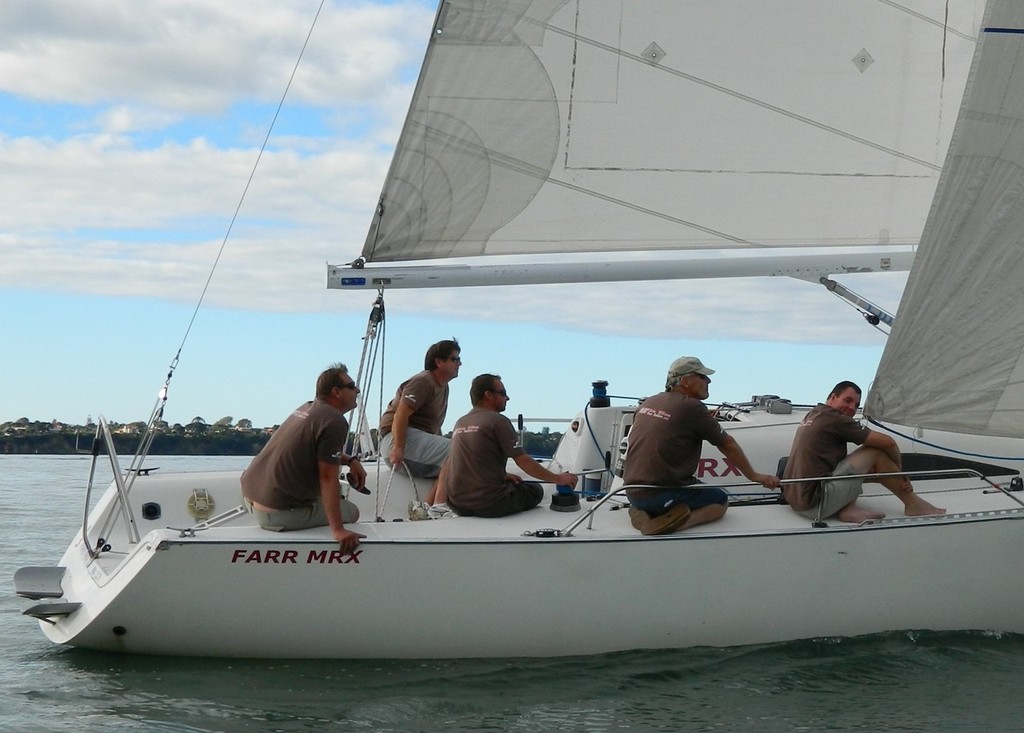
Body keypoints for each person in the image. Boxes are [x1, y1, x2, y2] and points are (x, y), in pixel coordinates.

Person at [623, 356, 780, 535]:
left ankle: (645, 510)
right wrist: (754, 476)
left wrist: (704, 418)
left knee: (677, 490)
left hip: (631, 493)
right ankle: (675, 523)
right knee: (720, 500)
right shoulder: (692, 408)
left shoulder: (649, 402)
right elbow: (727, 444)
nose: (709, 381)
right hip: (661, 494)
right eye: (702, 376)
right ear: (684, 381)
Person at [240, 363, 367, 554]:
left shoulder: (308, 408)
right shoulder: (334, 421)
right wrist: (338, 530)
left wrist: (350, 460)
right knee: (352, 511)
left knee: (326, 497)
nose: (357, 390)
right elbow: (327, 477)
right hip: (275, 515)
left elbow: (314, 450)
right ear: (336, 392)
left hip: (248, 496)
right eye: (351, 386)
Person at [783, 380, 945, 522]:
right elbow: (888, 443)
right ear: (832, 398)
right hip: (814, 506)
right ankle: (913, 505)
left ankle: (848, 509)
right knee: (875, 453)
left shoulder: (815, 414)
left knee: (867, 465)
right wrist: (899, 472)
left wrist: (881, 474)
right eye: (847, 400)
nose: (851, 408)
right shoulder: (835, 419)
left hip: (796, 501)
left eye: (856, 405)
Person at [445, 373, 578, 517]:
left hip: (458, 504)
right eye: (503, 393)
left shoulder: (461, 422)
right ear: (488, 395)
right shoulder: (498, 421)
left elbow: (467, 462)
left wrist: (502, 474)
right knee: (534, 490)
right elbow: (522, 460)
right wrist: (557, 478)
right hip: (489, 504)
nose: (507, 398)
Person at [379, 339, 460, 512]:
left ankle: (427, 508)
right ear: (438, 362)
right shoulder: (423, 381)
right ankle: (439, 506)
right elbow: (401, 414)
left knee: (453, 457)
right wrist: (398, 447)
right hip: (396, 441)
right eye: (454, 359)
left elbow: (433, 429)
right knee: (458, 450)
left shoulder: (443, 387)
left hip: (413, 441)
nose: (460, 363)